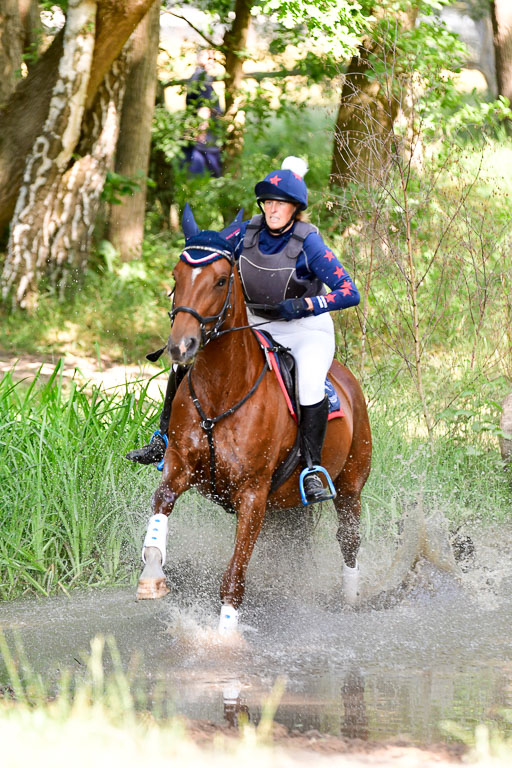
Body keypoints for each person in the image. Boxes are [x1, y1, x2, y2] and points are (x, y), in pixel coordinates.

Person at [127, 157, 360, 504]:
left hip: (305, 328)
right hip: (255, 322)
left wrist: (306, 305)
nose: (272, 209)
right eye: (268, 202)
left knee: (310, 384)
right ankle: (162, 439)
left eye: (280, 203)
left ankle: (312, 468)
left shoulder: (309, 243)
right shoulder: (246, 233)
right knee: (182, 362)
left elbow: (348, 292)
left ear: (295, 208)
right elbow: (211, 252)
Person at [182, 49, 223, 178]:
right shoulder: (202, 78)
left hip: (200, 139)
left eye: (214, 59)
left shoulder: (197, 77)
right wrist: (200, 131)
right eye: (209, 59)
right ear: (200, 61)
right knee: (205, 176)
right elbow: (203, 108)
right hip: (204, 141)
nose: (212, 63)